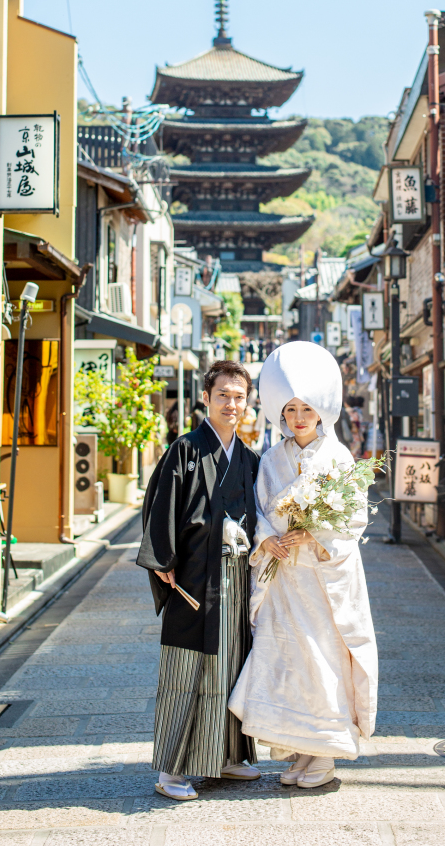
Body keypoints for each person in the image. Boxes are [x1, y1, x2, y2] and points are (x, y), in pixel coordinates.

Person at [228, 341, 377, 789]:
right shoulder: (272, 459)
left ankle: (325, 755)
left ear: (322, 410)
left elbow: (354, 515)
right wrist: (268, 539)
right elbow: (257, 511)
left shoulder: (338, 457)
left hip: (322, 580)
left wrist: (312, 533)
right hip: (284, 579)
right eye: (290, 409)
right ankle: (299, 752)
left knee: (321, 660)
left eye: (306, 408)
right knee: (286, 661)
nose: (298, 417)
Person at [137, 359, 261, 801]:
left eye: (240, 396)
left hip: (236, 580)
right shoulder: (185, 450)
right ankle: (172, 770)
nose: (232, 403)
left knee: (230, 665)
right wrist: (162, 560)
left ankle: (225, 756)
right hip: (193, 578)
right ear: (205, 398)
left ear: (249, 403)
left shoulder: (248, 458)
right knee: (187, 671)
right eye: (223, 395)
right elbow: (160, 506)